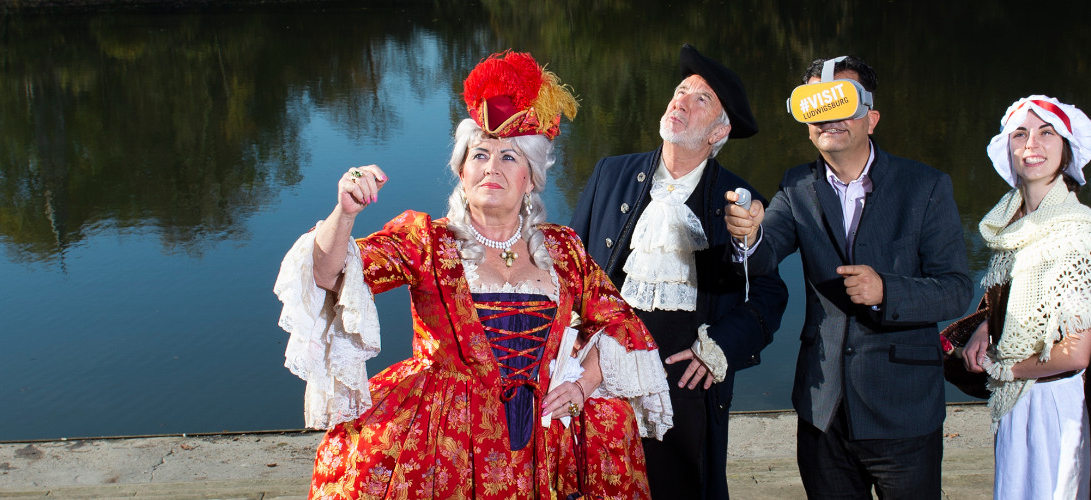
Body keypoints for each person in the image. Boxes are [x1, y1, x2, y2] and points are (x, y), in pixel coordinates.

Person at [270, 51, 671, 499]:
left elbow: (622, 324)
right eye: (479, 154)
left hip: (543, 439)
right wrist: (344, 214)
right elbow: (329, 275)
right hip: (444, 442)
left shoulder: (563, 250)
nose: (491, 168)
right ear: (462, 171)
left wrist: (582, 384)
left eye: (509, 157)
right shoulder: (426, 241)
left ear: (532, 178)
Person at [723, 55, 975, 499]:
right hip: (823, 412)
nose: (830, 119)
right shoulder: (797, 185)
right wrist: (749, 234)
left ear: (871, 119)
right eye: (818, 108)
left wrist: (886, 291)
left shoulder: (927, 186)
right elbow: (764, 253)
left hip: (904, 414)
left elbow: (956, 290)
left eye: (844, 104)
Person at [568, 43, 789, 500]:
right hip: (600, 376)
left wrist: (720, 348)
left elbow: (770, 294)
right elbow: (570, 269)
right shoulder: (611, 174)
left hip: (682, 388)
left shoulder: (740, 197)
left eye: (700, 99)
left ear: (718, 131)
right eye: (680, 90)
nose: (680, 101)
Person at [950, 95, 1091, 499]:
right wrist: (984, 324)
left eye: (1047, 133)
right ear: (1007, 149)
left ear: (1066, 149)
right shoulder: (1014, 223)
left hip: (1055, 402)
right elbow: (1018, 300)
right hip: (1020, 398)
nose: (1032, 144)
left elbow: (1075, 355)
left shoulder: (1077, 232)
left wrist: (1002, 368)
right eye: (1021, 133)